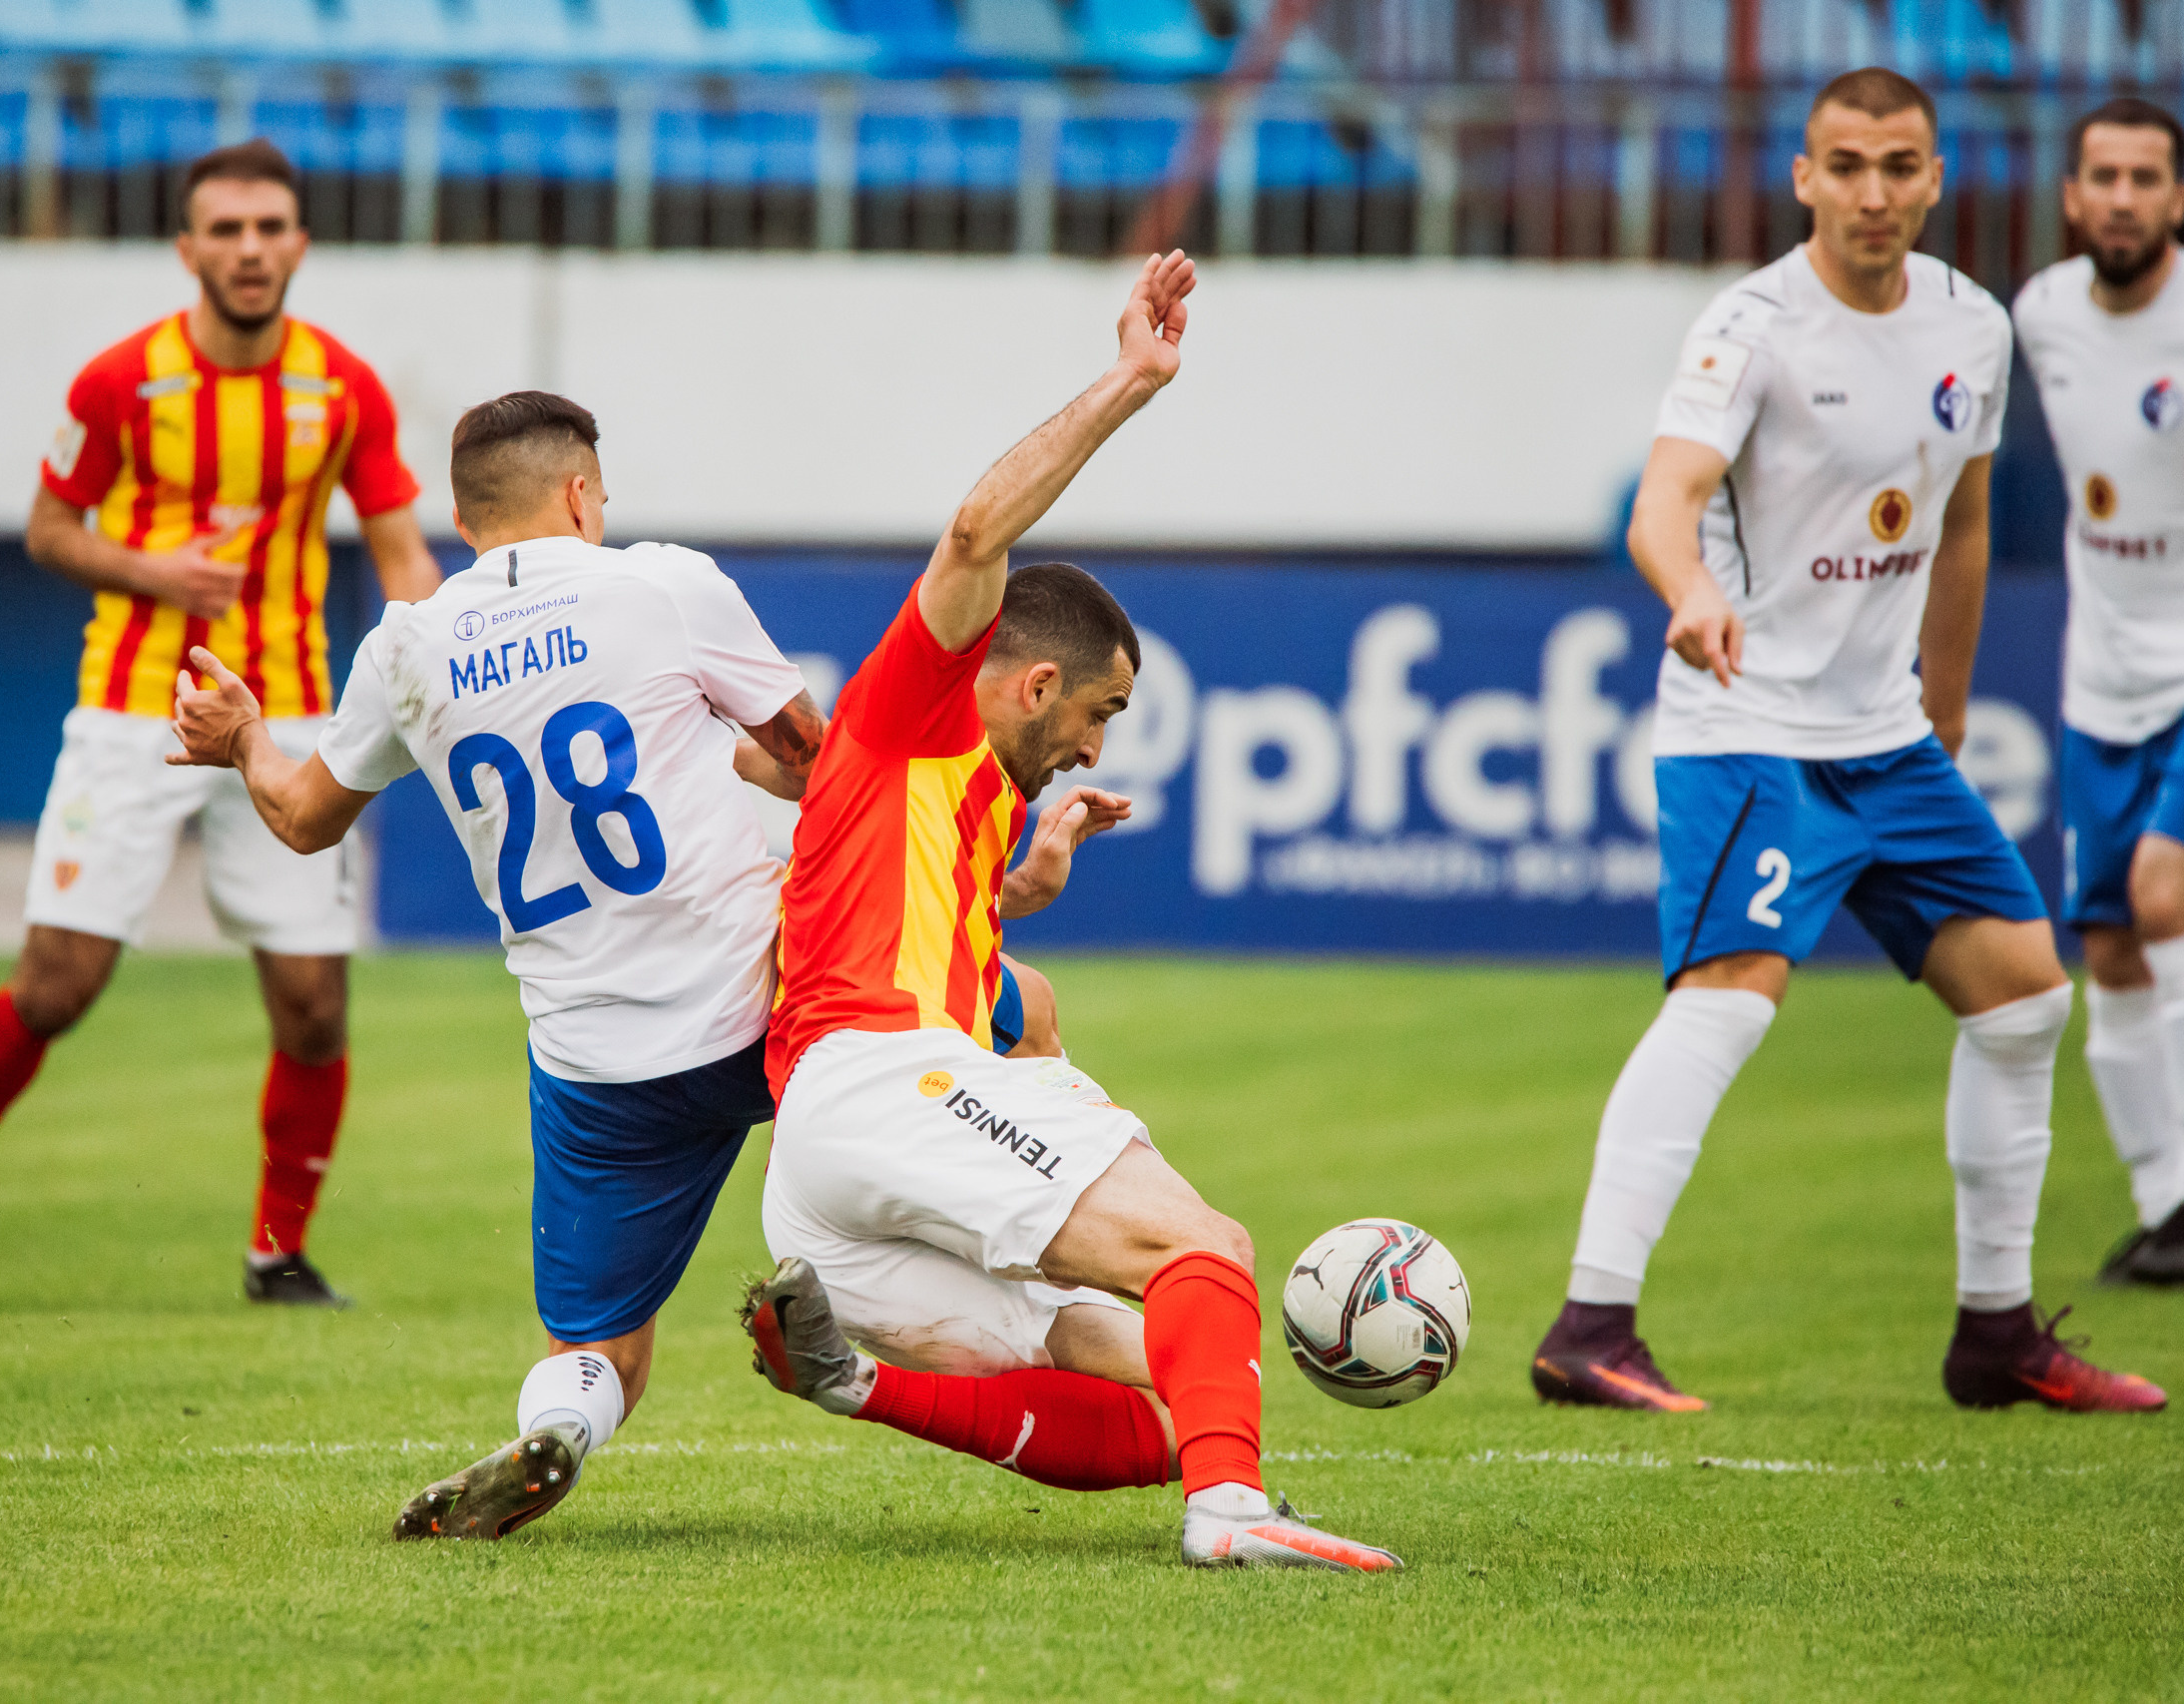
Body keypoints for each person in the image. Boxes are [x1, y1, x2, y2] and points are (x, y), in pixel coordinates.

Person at [168, 389, 1106, 1541]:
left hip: (596, 1057)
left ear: (465, 522)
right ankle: (1099, 1272)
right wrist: (987, 882)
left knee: (600, 1345)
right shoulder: (662, 586)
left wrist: (244, 737)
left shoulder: (405, 645)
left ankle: (555, 1432)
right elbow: (831, 772)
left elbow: (303, 818)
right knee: (1026, 1015)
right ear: (577, 494)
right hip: (773, 992)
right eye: (598, 495)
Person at [740, 253, 1403, 1572]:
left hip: (824, 1197)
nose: (1097, 746)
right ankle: (1231, 1519)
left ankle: (849, 1383)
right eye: (1100, 712)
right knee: (1204, 1246)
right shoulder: (913, 712)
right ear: (1036, 679)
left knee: (1175, 1394)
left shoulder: (965, 806)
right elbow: (977, 536)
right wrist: (1133, 380)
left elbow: (945, 941)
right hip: (877, 1083)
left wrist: (1018, 887)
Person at [1528, 69, 2165, 1414]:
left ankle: (1994, 1332)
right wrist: (1690, 591)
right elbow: (1664, 504)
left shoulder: (1972, 327)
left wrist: (1944, 703)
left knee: (2024, 992)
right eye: (1847, 165)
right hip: (1745, 727)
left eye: (1900, 165)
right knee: (1731, 993)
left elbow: (1968, 521)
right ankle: (1591, 1322)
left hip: (1886, 741)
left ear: (1935, 180)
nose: (1874, 191)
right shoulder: (1751, 326)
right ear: (1804, 178)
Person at [0, 139, 443, 1312]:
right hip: (135, 708)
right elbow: (47, 529)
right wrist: (150, 570)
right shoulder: (118, 382)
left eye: (269, 227)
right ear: (187, 249)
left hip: (284, 712)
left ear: (300, 243)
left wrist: (457, 664)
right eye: (224, 230)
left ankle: (277, 1254)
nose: (248, 249)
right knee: (56, 986)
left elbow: (399, 552)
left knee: (315, 1006)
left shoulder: (345, 387)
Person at [2012, 97, 2184, 1287]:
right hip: (2098, 675)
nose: (2121, 197)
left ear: (2176, 198)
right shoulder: (2040, 312)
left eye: (2146, 178)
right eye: (2103, 177)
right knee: (2109, 942)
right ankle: (2167, 1203)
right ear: (2071, 196)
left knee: (2161, 896)